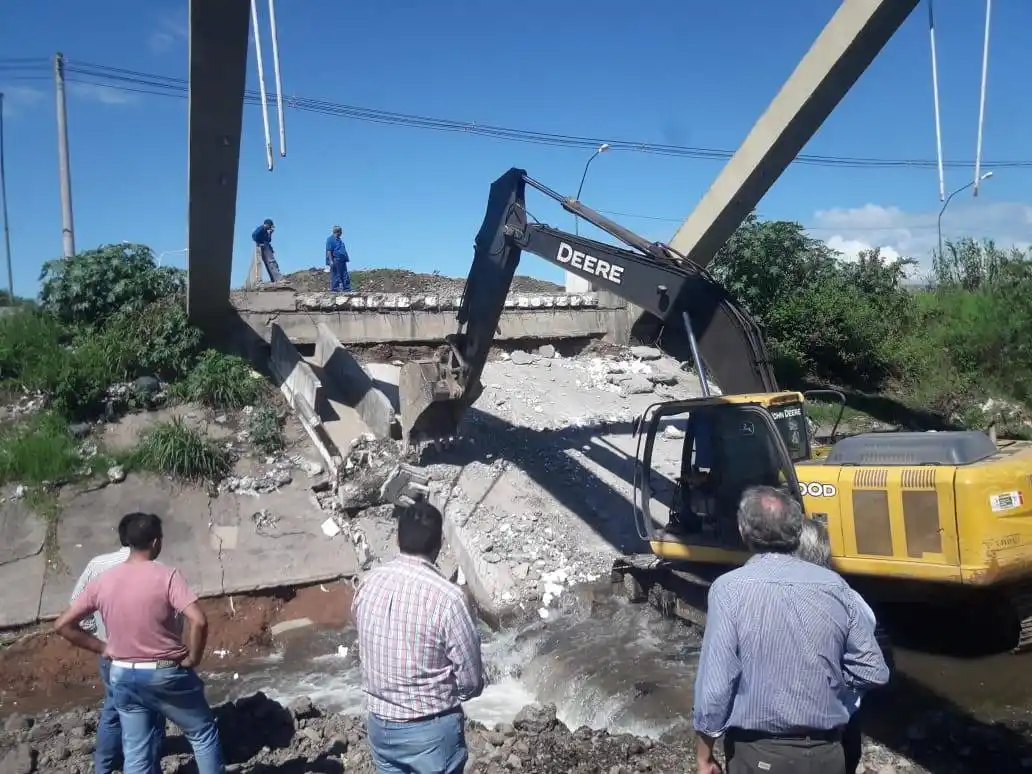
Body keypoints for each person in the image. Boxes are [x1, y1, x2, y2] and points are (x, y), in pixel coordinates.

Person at [692, 486, 889, 774]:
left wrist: (704, 755)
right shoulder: (836, 587)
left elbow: (716, 685)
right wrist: (830, 683)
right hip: (827, 754)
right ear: (797, 531)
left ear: (743, 530)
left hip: (759, 754)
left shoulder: (729, 589)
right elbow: (874, 671)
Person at [53, 512, 224, 774]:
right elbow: (198, 621)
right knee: (202, 734)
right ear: (156, 542)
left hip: (122, 673)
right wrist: (193, 658)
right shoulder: (167, 576)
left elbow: (62, 625)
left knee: (136, 753)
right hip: (165, 673)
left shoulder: (103, 580)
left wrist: (103, 648)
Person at [353, 499, 484, 774]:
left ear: (397, 538)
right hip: (430, 730)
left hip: (380, 725)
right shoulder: (448, 598)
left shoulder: (367, 584)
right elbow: (471, 681)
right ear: (438, 546)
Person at [796, 519, 881, 774]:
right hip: (839, 723)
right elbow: (872, 669)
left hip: (786, 733)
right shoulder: (848, 598)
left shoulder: (767, 597)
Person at [69, 516, 132, 774]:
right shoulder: (156, 568)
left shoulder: (98, 565)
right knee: (149, 710)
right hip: (146, 656)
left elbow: (76, 604)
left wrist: (99, 637)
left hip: (110, 652)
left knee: (113, 709)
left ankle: (103, 766)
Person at [325, 225, 352, 292]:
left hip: (342, 260)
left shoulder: (339, 240)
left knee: (345, 274)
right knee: (336, 275)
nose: (341, 233)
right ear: (338, 232)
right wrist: (331, 261)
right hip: (335, 259)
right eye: (341, 232)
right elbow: (329, 251)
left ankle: (347, 288)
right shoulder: (330, 239)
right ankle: (335, 289)